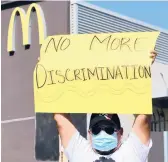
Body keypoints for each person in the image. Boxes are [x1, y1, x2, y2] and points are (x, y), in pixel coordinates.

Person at [54, 51, 157, 162]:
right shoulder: (80, 153)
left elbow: (143, 119)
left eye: (109, 129)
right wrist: (51, 71)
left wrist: (143, 68)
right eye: (97, 129)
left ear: (120, 132)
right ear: (90, 133)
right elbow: (60, 120)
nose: (102, 133)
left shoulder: (131, 152)